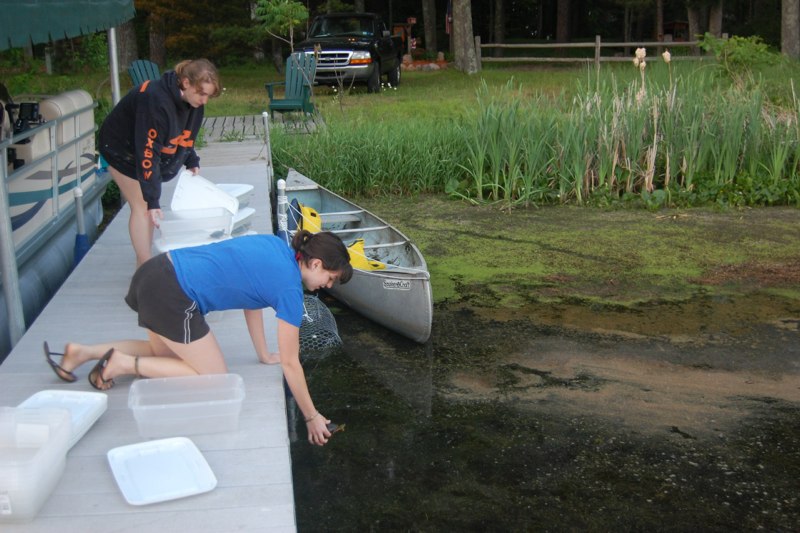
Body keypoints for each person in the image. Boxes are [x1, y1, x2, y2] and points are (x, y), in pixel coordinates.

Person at [44, 230, 353, 446]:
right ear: (315, 264)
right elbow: (290, 362)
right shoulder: (289, 288)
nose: (326, 286)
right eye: (330, 278)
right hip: (174, 295)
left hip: (157, 272)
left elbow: (252, 300)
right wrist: (311, 417)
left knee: (162, 355)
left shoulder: (276, 247)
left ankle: (80, 352)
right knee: (214, 377)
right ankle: (122, 364)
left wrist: (262, 354)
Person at [99, 58, 221, 266]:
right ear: (185, 83)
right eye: (202, 94)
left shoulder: (194, 102)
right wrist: (154, 200)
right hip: (120, 148)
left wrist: (190, 158)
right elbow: (148, 154)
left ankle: (144, 265)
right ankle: (144, 268)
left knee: (147, 206)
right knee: (142, 206)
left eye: (208, 96)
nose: (204, 101)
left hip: (139, 146)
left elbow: (187, 133)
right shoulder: (155, 102)